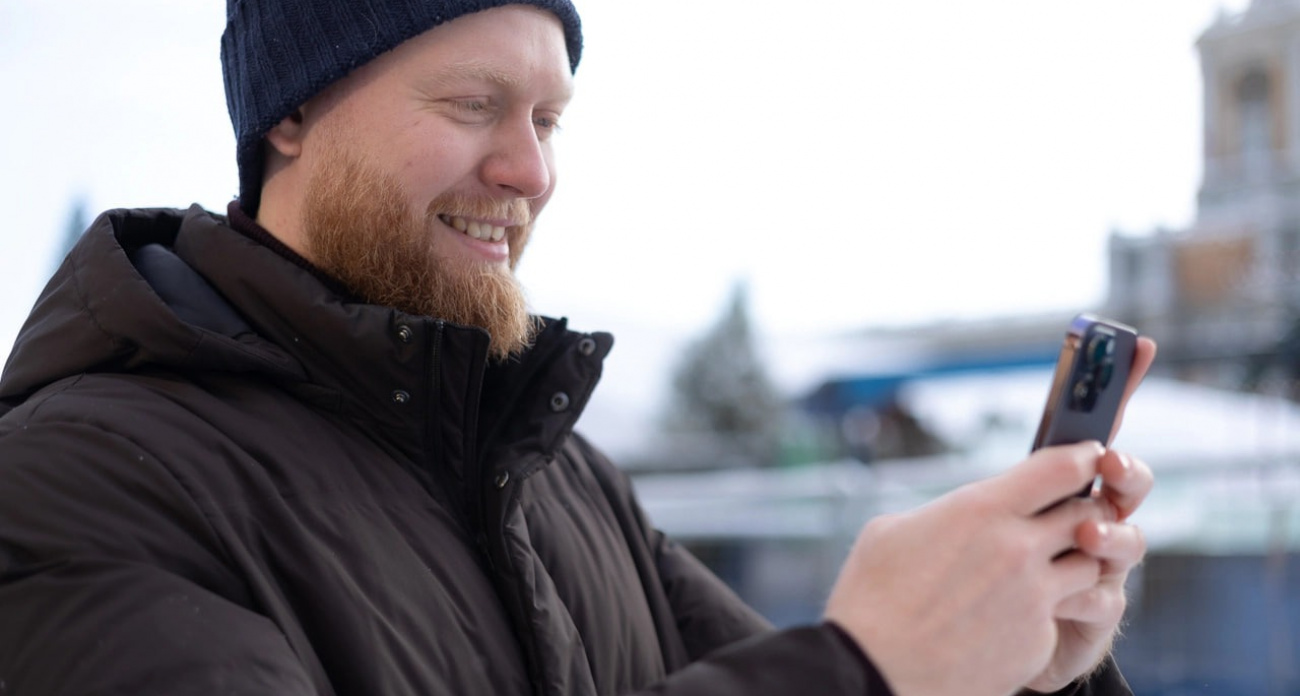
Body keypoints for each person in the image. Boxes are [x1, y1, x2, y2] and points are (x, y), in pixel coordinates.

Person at [0, 2, 1156, 694]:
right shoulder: (70, 487)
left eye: (547, 121)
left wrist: (1008, 666)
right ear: (288, 118)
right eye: (471, 106)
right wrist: (862, 668)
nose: (531, 172)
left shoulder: (558, 476)